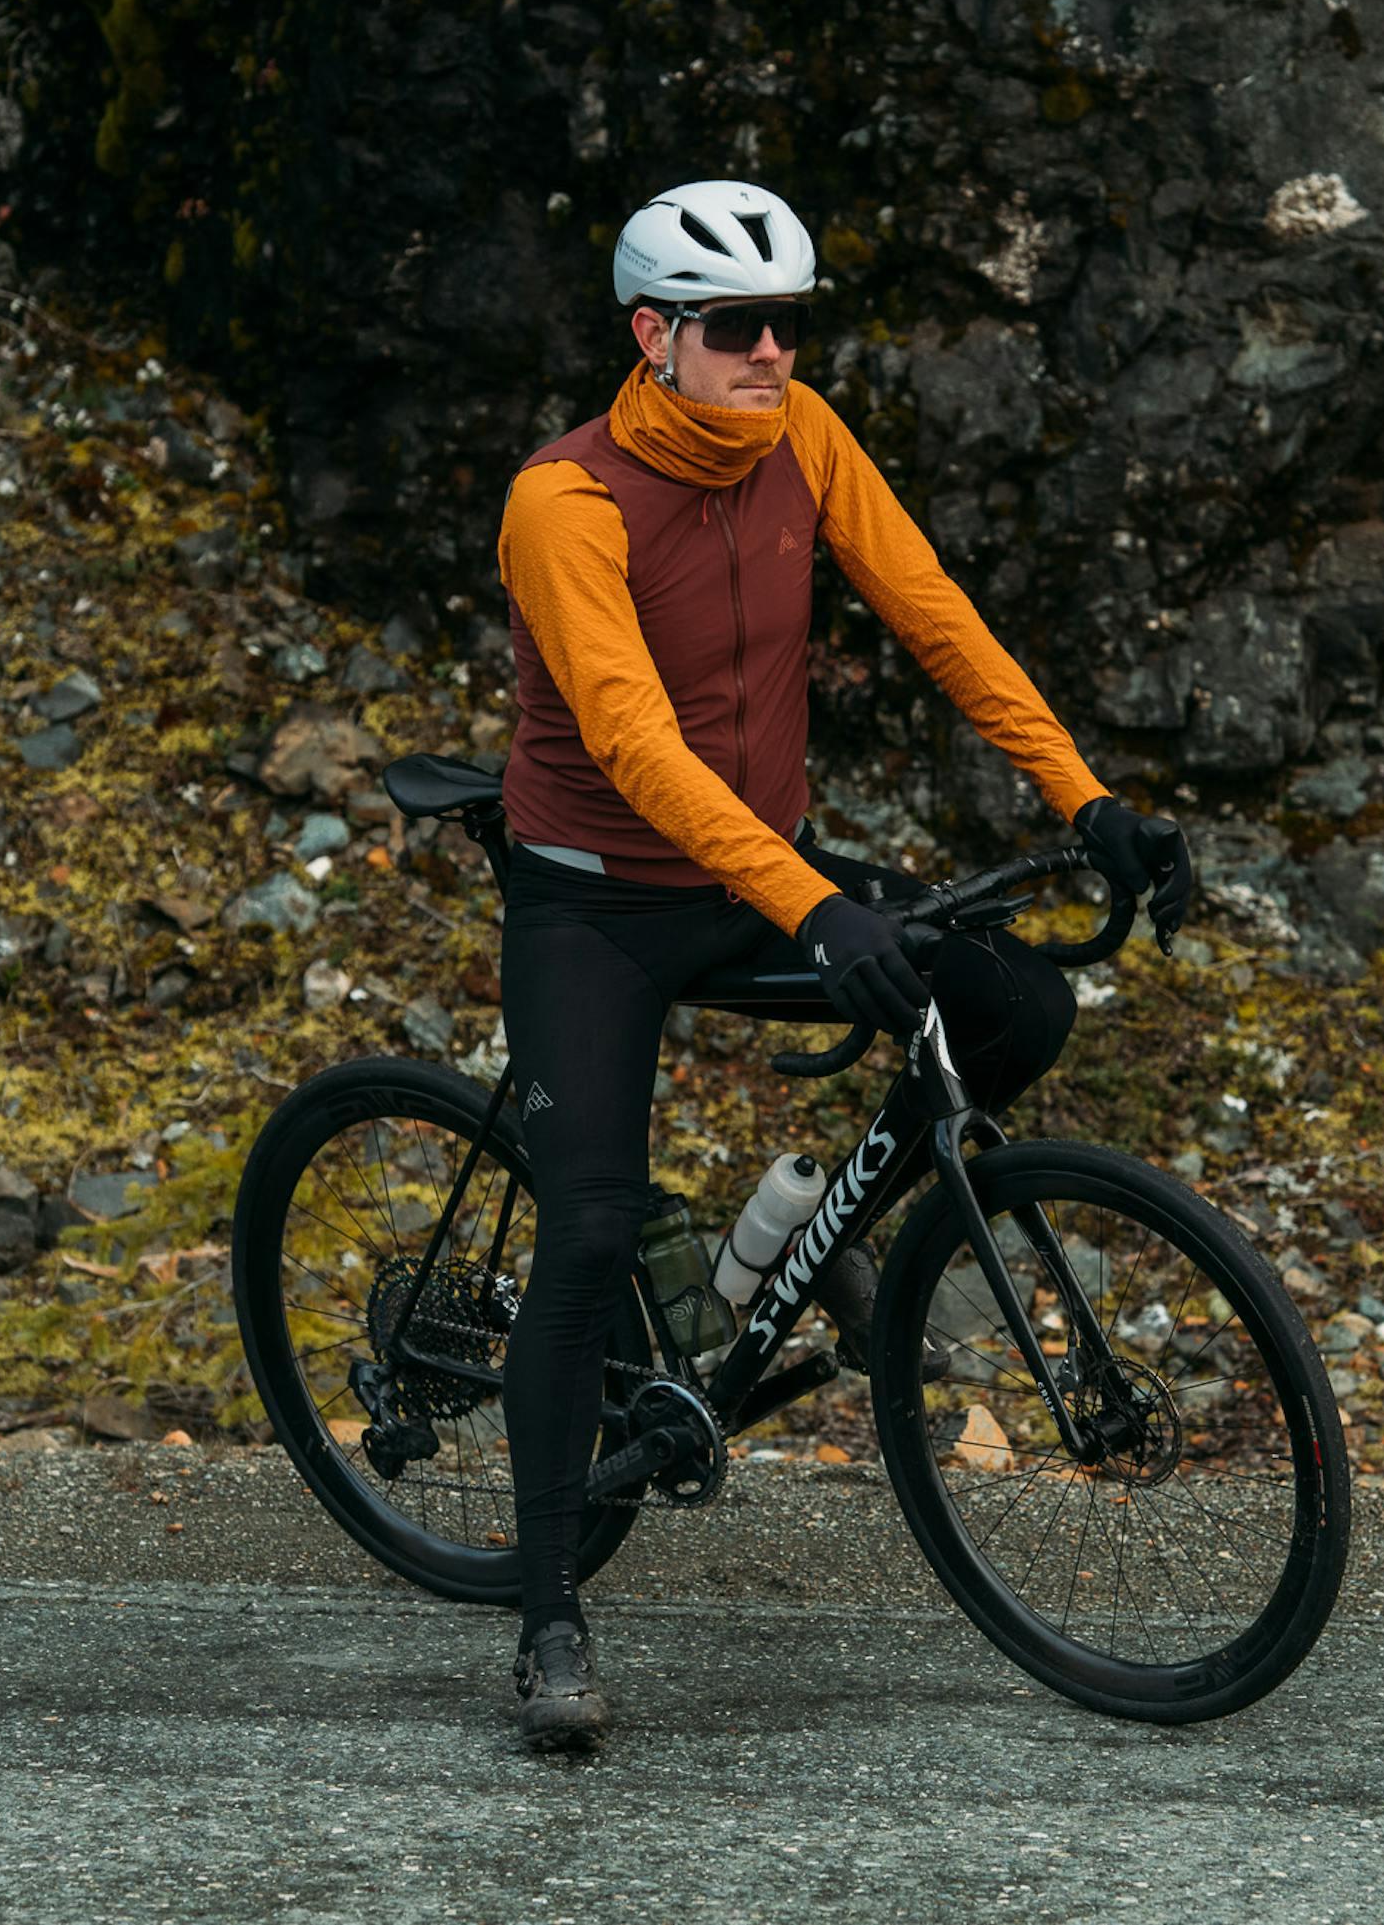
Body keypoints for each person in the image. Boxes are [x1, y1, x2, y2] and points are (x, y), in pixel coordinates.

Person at [490, 178, 1195, 1752]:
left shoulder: (804, 438)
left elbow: (936, 617)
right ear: (653, 336)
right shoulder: (568, 503)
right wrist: (813, 905)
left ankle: (792, 1260)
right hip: (595, 896)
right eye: (737, 328)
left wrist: (1087, 797)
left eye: (789, 324)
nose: (771, 354)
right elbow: (633, 745)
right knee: (589, 1227)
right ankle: (548, 1610)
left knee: (1016, 1003)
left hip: (760, 873)